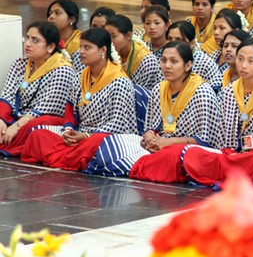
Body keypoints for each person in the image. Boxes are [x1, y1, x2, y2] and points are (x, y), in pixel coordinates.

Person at [86, 41, 221, 180]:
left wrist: (170, 142)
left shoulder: (202, 92)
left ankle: (141, 167)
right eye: (163, 60)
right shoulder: (159, 89)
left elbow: (205, 140)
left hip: (187, 149)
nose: (167, 66)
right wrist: (150, 137)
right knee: (116, 141)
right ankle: (140, 165)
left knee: (172, 155)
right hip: (160, 144)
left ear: (188, 65)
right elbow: (151, 126)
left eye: (174, 61)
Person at [20, 28, 136, 171]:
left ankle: (66, 157)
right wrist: (68, 131)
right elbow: (70, 112)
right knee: (38, 134)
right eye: (81, 46)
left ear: (103, 50)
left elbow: (119, 124)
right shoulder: (80, 76)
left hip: (104, 136)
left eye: (87, 47)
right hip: (80, 134)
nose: (81, 51)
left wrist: (86, 135)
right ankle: (71, 158)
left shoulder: (119, 81)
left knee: (95, 142)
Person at [181, 38, 253, 186]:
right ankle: (234, 176)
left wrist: (243, 156)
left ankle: (233, 177)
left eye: (251, 61)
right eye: (240, 59)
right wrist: (231, 154)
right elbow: (222, 138)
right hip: (231, 155)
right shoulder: (229, 91)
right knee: (190, 153)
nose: (243, 65)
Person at [0, 22, 77, 157]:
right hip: (16, 117)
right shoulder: (21, 62)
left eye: (35, 40)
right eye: (27, 38)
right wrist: (1, 120)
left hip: (43, 118)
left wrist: (16, 127)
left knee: (36, 126)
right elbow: (7, 94)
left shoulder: (62, 70)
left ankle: (9, 143)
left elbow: (45, 109)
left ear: (51, 47)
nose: (28, 44)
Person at [105, 15, 161, 91]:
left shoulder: (147, 61)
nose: (109, 41)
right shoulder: (105, 53)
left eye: (113, 36)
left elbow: (140, 94)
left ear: (128, 35)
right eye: (107, 37)